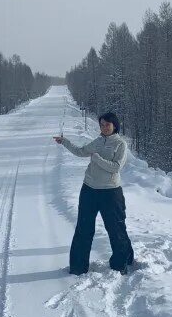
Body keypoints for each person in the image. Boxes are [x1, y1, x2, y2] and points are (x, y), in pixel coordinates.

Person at [53, 112, 135, 275]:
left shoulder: (120, 144)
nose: (104, 128)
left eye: (107, 124)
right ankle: (78, 267)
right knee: (84, 228)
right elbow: (81, 151)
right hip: (89, 190)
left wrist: (96, 158)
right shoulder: (98, 141)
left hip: (111, 193)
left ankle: (121, 263)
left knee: (116, 228)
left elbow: (116, 167)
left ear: (114, 125)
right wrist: (65, 142)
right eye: (102, 125)